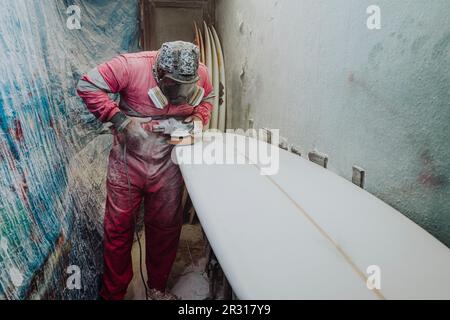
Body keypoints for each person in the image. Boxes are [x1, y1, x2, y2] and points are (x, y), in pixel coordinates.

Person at [77, 41, 213, 300]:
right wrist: (120, 120)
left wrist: (198, 118)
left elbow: (208, 98)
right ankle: (113, 294)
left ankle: (157, 289)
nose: (179, 93)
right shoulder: (130, 67)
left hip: (168, 164)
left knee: (165, 230)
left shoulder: (201, 74)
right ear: (159, 73)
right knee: (119, 231)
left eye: (186, 86)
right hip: (128, 162)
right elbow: (87, 85)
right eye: (173, 85)